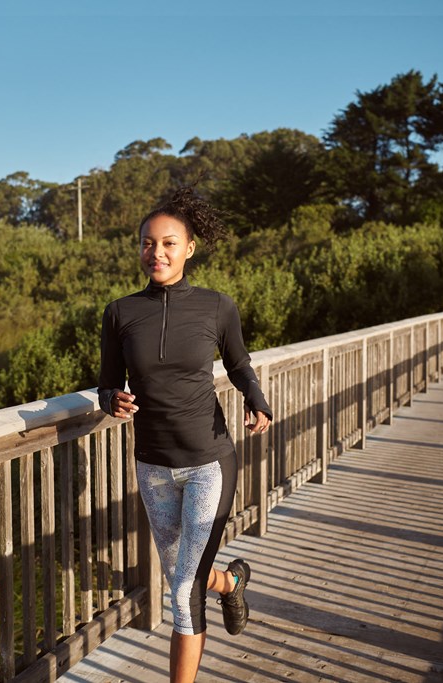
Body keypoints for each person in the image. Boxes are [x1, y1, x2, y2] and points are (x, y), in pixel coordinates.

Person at [97, 186, 272, 683]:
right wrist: (112, 400)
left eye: (169, 243)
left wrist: (256, 400)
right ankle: (232, 581)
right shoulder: (120, 312)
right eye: (148, 244)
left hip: (208, 461)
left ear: (189, 248)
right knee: (186, 580)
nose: (157, 253)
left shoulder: (217, 306)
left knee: (179, 592)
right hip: (152, 464)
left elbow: (239, 364)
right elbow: (107, 380)